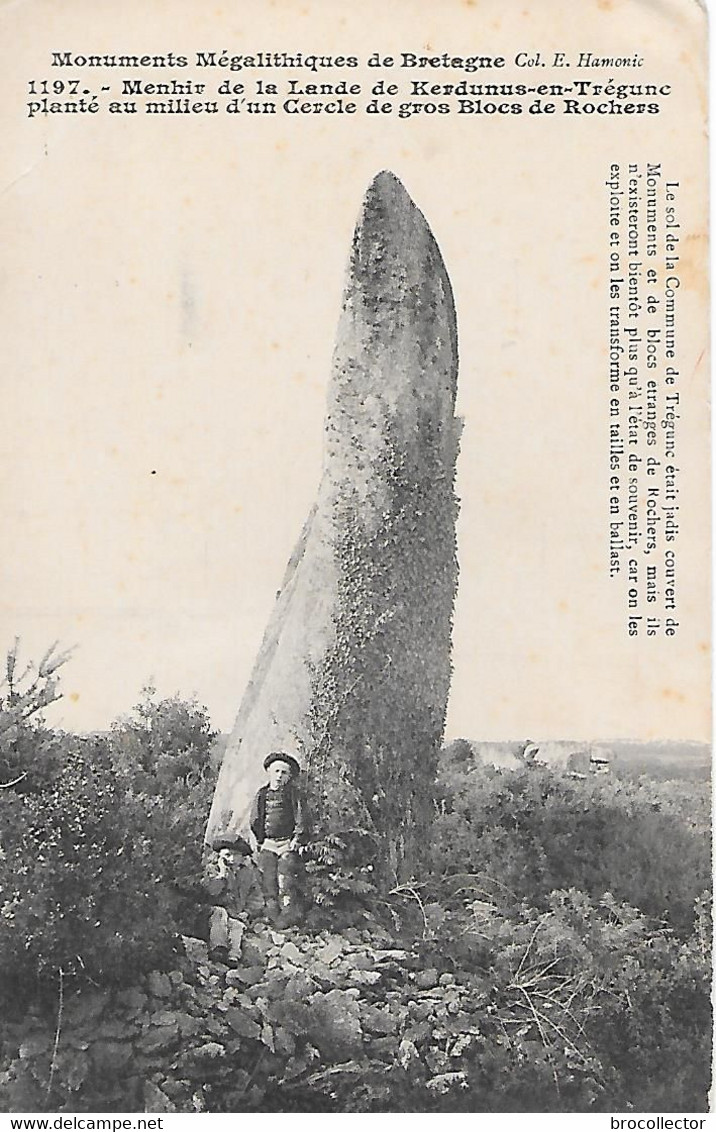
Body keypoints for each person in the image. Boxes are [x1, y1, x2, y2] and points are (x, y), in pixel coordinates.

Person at [249, 751, 307, 928]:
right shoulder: (262, 794)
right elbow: (255, 819)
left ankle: (288, 917)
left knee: (286, 879)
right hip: (268, 842)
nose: (279, 776)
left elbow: (301, 817)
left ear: (289, 776)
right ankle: (271, 916)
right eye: (276, 771)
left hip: (286, 843)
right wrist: (259, 840)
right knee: (268, 880)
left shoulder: (293, 794)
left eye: (284, 772)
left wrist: (297, 838)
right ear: (269, 772)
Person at [204, 833, 261, 963]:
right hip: (215, 912)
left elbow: (256, 897)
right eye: (227, 855)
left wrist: (247, 912)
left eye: (236, 855)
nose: (232, 859)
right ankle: (218, 948)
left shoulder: (247, 873)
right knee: (220, 914)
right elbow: (212, 892)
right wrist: (222, 874)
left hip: (236, 914)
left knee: (237, 926)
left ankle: (234, 955)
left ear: (242, 857)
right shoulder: (213, 870)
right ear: (220, 857)